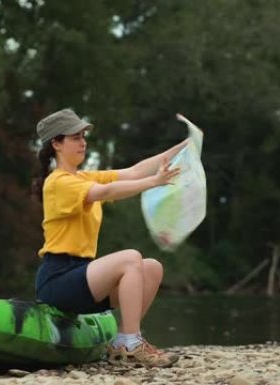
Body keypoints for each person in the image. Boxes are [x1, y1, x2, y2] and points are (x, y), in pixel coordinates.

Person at [31, 108, 188, 368]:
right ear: (56, 144)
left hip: (82, 277)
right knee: (130, 259)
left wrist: (185, 147)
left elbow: (135, 171)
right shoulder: (58, 182)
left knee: (152, 268)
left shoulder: (81, 177)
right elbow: (105, 191)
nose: (83, 142)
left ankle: (122, 342)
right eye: (75, 137)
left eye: (83, 136)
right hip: (57, 279)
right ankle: (134, 343)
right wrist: (154, 182)